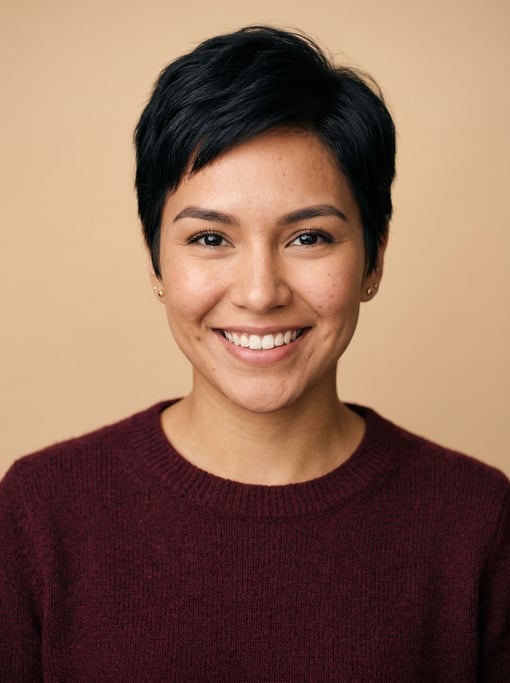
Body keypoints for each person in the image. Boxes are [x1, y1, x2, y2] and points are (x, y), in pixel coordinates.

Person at [1, 25, 508, 681]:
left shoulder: (477, 522)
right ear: (156, 259)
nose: (261, 292)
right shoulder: (40, 514)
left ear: (374, 257)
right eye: (211, 238)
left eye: (309, 237)